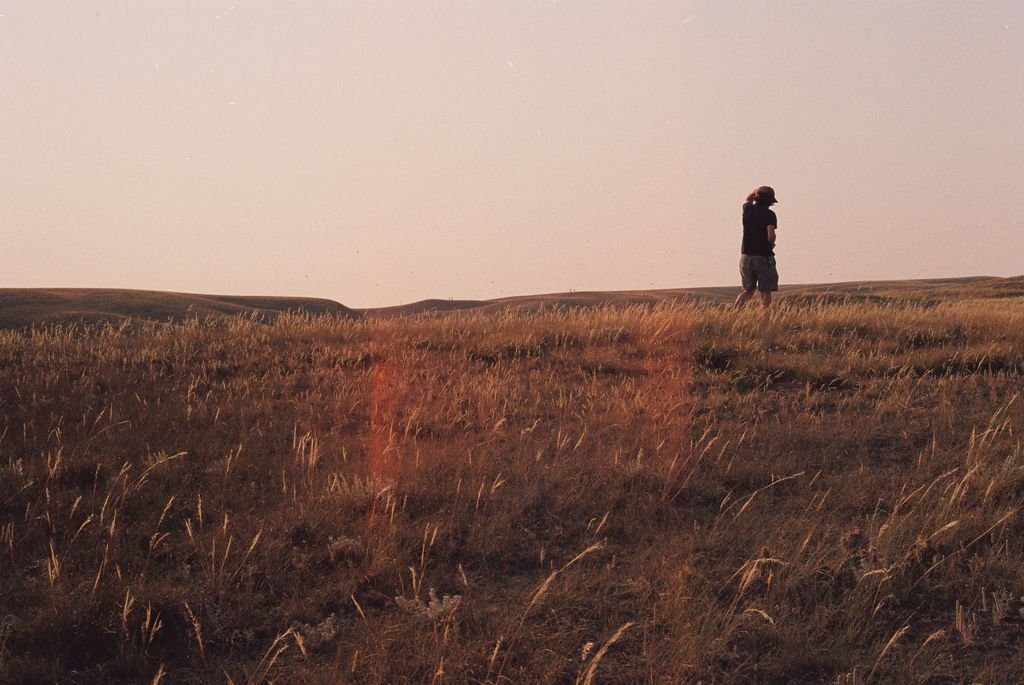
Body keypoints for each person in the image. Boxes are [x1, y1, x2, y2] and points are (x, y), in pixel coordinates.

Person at [734, 185, 779, 309]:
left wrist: (754, 191)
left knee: (747, 291)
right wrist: (771, 245)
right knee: (765, 291)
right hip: (763, 256)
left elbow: (747, 200)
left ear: (756, 198)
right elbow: (771, 234)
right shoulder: (770, 214)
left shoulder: (747, 209)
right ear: (770, 202)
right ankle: (764, 318)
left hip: (745, 257)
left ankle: (735, 314)